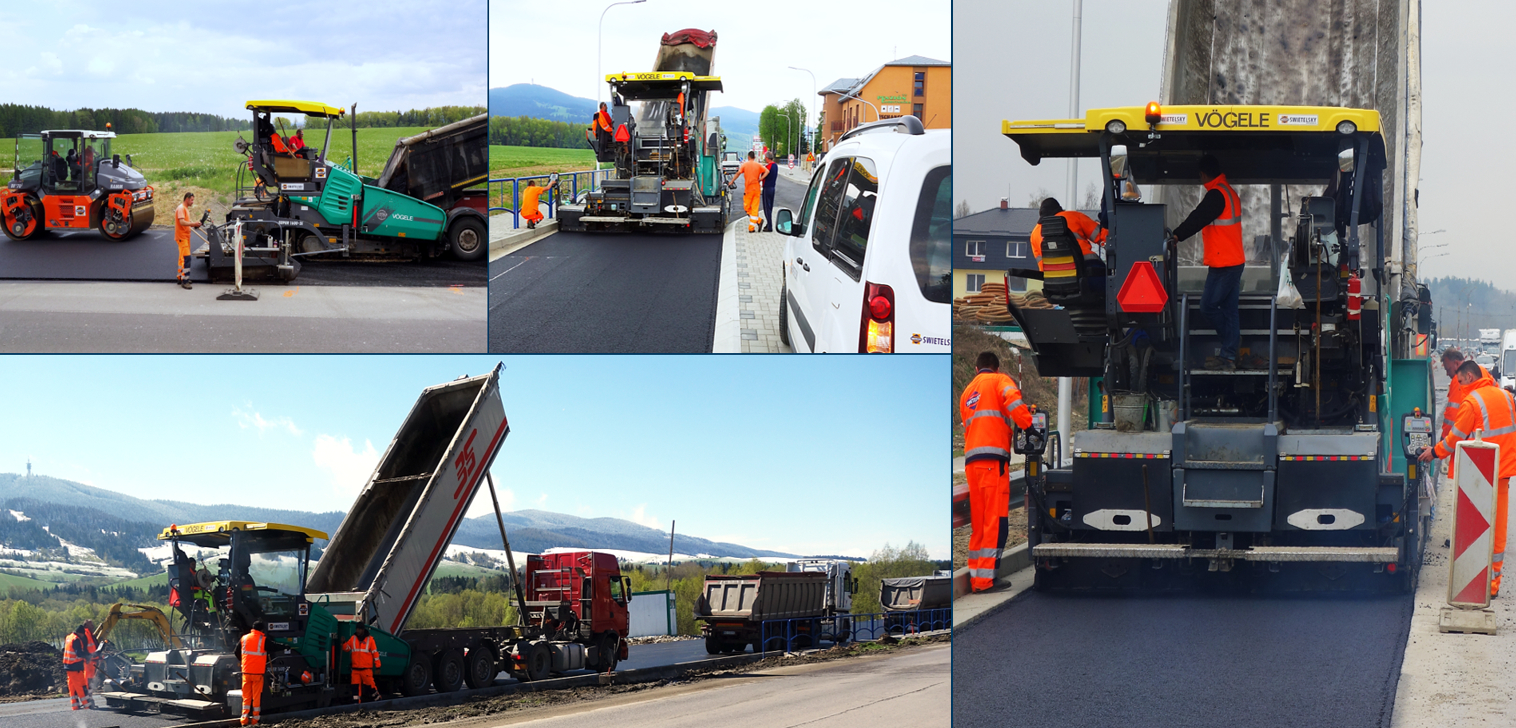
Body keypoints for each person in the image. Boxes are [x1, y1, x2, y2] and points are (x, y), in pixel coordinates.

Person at [1419, 359, 1516, 597]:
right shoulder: (1505, 396)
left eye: (1461, 381)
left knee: (1473, 528)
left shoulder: (1472, 402)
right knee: (1498, 528)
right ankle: (1492, 585)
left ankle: (1471, 581)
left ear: (1470, 377)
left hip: (1479, 474)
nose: (1459, 386)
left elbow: (1455, 439)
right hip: (1502, 471)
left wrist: (1434, 452)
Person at [959, 351, 1034, 592]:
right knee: (994, 520)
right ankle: (985, 580)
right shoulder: (1000, 381)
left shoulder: (967, 392)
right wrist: (1029, 426)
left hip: (971, 463)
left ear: (976, 368)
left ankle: (976, 577)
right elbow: (1014, 403)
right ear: (997, 366)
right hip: (993, 461)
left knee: (980, 522)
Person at [1170, 154, 1246, 371]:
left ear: (1203, 174)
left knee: (1207, 306)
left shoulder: (1216, 195)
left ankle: (1230, 345)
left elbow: (1198, 217)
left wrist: (1177, 236)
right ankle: (1229, 356)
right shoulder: (1229, 192)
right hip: (1233, 260)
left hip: (1224, 263)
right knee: (1230, 310)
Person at [1440, 348, 1494, 480]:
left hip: (1470, 447)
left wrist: (1443, 441)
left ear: (1457, 364)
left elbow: (1452, 417)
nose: (1448, 374)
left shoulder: (1458, 380)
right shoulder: (1482, 372)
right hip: (1492, 445)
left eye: (1448, 369)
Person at [1029, 197, 1106, 272]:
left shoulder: (1034, 234)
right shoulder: (1074, 216)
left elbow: (1042, 266)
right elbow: (1102, 236)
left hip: (1057, 276)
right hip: (1087, 266)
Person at [238, 621, 268, 726]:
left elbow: (236, 651)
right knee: (256, 697)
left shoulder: (244, 638)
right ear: (262, 630)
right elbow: (274, 647)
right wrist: (286, 646)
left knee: (246, 697)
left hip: (246, 672)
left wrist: (244, 661)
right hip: (257, 674)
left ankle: (244, 720)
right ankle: (255, 720)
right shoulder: (263, 639)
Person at [342, 624, 381, 703]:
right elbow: (347, 648)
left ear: (363, 630)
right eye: (357, 629)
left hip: (366, 669)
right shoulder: (353, 638)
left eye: (359, 629)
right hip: (355, 669)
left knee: (370, 687)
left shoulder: (370, 640)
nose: (358, 631)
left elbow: (375, 654)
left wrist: (378, 666)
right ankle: (356, 704)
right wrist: (343, 643)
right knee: (355, 688)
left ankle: (378, 701)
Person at [732, 151, 768, 233]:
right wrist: (760, 179)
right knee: (755, 208)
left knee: (747, 207)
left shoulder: (745, 165)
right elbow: (767, 171)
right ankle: (756, 223)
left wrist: (732, 181)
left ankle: (755, 224)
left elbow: (738, 173)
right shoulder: (758, 165)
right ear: (754, 157)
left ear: (748, 157)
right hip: (757, 189)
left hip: (748, 190)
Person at [63, 624, 94, 710]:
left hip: (68, 665)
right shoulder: (76, 639)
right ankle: (87, 705)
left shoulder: (69, 637)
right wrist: (87, 656)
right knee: (81, 686)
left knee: (72, 686)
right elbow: (79, 653)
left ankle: (75, 705)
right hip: (75, 667)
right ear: (81, 633)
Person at [174, 193, 202, 290]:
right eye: (192, 200)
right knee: (187, 258)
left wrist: (194, 224)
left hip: (185, 237)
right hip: (182, 237)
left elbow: (185, 222)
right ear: (187, 199)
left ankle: (180, 277)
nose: (192, 202)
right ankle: (185, 281)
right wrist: (193, 223)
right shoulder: (181, 209)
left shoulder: (185, 209)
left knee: (182, 258)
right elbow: (182, 222)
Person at [760, 152, 779, 232]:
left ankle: (770, 226)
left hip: (767, 188)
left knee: (766, 207)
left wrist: (760, 179)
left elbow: (763, 174)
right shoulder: (775, 166)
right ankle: (768, 224)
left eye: (765, 157)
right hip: (773, 187)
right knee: (770, 207)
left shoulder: (768, 166)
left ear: (767, 158)